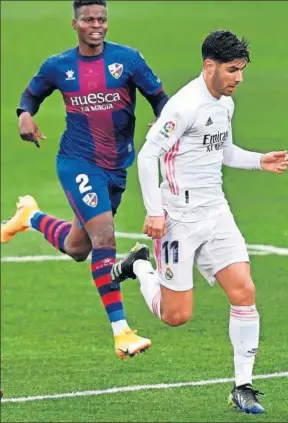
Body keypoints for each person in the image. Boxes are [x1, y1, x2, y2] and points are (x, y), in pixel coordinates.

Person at [111, 30, 288, 413]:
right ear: (209, 66)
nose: (238, 78)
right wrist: (155, 211)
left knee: (244, 290)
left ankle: (243, 386)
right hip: (179, 218)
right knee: (176, 316)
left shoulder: (224, 104)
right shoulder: (184, 106)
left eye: (241, 70)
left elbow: (223, 152)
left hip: (216, 212)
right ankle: (139, 265)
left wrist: (259, 160)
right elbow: (148, 156)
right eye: (231, 70)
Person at [1, 0, 169, 360]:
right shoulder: (59, 66)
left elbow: (160, 99)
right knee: (105, 235)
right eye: (89, 19)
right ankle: (121, 332)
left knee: (80, 248)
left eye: (102, 19)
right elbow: (31, 94)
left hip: (116, 167)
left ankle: (28, 217)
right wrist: (24, 116)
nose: (97, 25)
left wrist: (163, 122)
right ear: (74, 24)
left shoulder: (128, 60)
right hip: (78, 161)